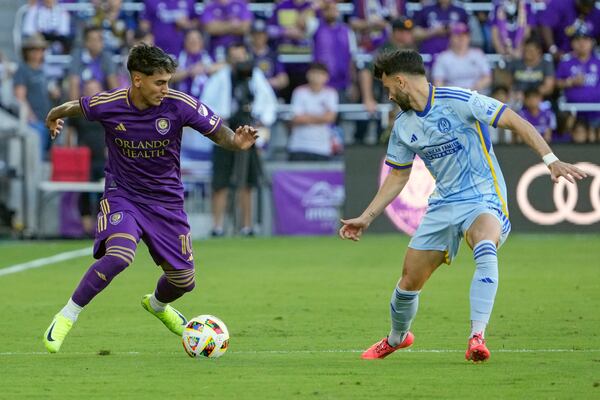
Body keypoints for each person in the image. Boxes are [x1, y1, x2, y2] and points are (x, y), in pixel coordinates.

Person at [339, 49, 586, 362]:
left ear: (401, 81)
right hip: (443, 203)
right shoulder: (403, 126)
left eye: (388, 88)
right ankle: (397, 338)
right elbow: (398, 177)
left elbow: (514, 120)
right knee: (407, 283)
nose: (387, 96)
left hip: (483, 197)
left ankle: (477, 336)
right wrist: (367, 217)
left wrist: (550, 159)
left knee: (485, 243)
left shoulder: (460, 100)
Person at [42, 43, 258, 353]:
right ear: (137, 79)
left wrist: (236, 142)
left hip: (166, 201)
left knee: (184, 281)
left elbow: (218, 131)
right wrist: (53, 115)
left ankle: (157, 306)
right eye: (160, 82)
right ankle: (67, 315)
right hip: (123, 194)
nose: (165, 89)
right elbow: (75, 106)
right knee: (119, 256)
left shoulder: (178, 104)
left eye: (168, 81)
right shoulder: (110, 103)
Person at [201, 43, 277, 237]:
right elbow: (205, 103)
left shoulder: (256, 77)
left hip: (248, 131)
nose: (239, 61)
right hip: (224, 132)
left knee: (247, 182)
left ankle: (246, 226)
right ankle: (217, 227)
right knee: (221, 181)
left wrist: (261, 121)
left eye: (242, 57)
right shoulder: (219, 78)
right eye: (235, 57)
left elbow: (269, 102)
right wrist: (218, 120)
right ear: (228, 59)